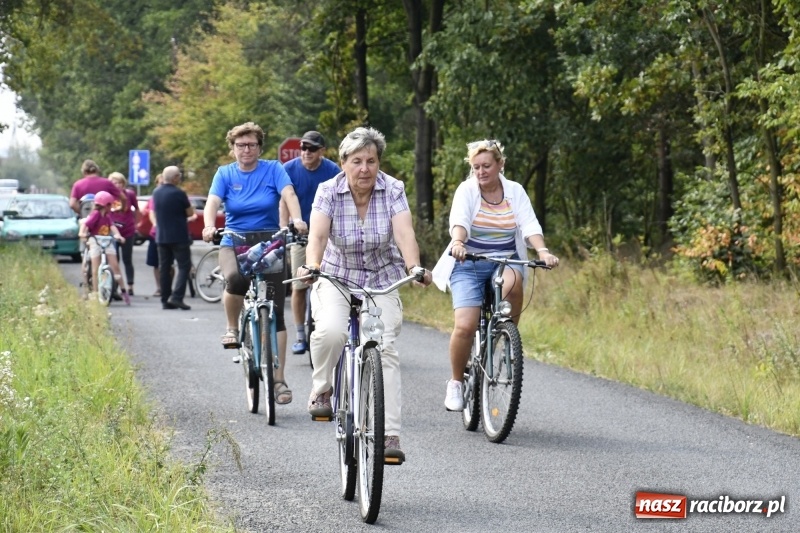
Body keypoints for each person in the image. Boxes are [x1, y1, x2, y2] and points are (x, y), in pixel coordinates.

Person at [297, 126, 432, 463]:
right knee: (331, 330)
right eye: (356, 161)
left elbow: (404, 233)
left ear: (378, 163)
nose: (365, 169)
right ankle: (323, 388)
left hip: (380, 278)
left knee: (384, 348)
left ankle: (388, 434)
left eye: (371, 161)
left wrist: (414, 267)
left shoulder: (393, 189)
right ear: (343, 163)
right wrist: (312, 265)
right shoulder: (328, 190)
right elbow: (317, 237)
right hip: (336, 275)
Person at [431, 139, 559, 412]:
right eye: (476, 167)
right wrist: (458, 243)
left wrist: (543, 251)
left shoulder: (515, 191)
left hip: (505, 260)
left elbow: (529, 223)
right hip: (469, 262)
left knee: (514, 283)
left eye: (487, 165)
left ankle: (505, 336)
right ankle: (455, 381)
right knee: (466, 325)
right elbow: (460, 222)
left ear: (500, 164)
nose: (481, 171)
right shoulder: (467, 190)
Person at [201, 121, 307, 406]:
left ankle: (279, 379)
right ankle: (232, 329)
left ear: (260, 147)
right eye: (240, 145)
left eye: (251, 145)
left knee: (277, 311)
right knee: (235, 280)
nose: (246, 150)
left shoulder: (273, 169)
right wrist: (209, 225)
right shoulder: (225, 173)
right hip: (233, 240)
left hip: (270, 241)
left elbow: (289, 194)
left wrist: (297, 220)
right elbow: (212, 202)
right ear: (233, 148)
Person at [280, 130, 341, 354]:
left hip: (326, 236)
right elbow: (284, 201)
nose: (306, 152)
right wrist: (284, 226)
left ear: (321, 151)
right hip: (299, 235)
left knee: (328, 283)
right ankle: (299, 334)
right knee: (299, 284)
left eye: (312, 148)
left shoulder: (332, 170)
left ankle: (328, 328)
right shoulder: (289, 169)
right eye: (303, 147)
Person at [153, 166, 195, 311]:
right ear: (175, 177)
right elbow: (189, 213)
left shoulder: (156, 192)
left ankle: (165, 300)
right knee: (184, 266)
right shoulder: (179, 193)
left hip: (162, 236)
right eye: (179, 176)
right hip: (179, 236)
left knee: (164, 268)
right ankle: (177, 297)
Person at [79, 190, 129, 303]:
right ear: (105, 205)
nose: (111, 207)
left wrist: (118, 235)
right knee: (95, 268)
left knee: (115, 266)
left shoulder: (107, 215)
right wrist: (82, 233)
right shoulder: (95, 214)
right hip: (95, 240)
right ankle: (96, 293)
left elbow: (112, 226)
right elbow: (86, 225)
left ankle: (123, 289)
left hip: (107, 240)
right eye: (110, 204)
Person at [108, 172, 139, 296]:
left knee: (127, 259)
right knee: (114, 260)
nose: (117, 185)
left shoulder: (129, 194)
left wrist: (135, 223)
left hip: (128, 231)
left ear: (123, 184)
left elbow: (136, 209)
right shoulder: (109, 196)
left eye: (119, 182)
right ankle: (115, 286)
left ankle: (130, 285)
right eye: (114, 182)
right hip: (113, 231)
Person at [143, 174, 164, 296]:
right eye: (159, 183)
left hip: (170, 233)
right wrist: (155, 224)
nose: (161, 186)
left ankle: (168, 286)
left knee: (169, 264)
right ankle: (159, 287)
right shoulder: (154, 197)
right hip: (155, 234)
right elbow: (152, 212)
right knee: (156, 264)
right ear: (156, 184)